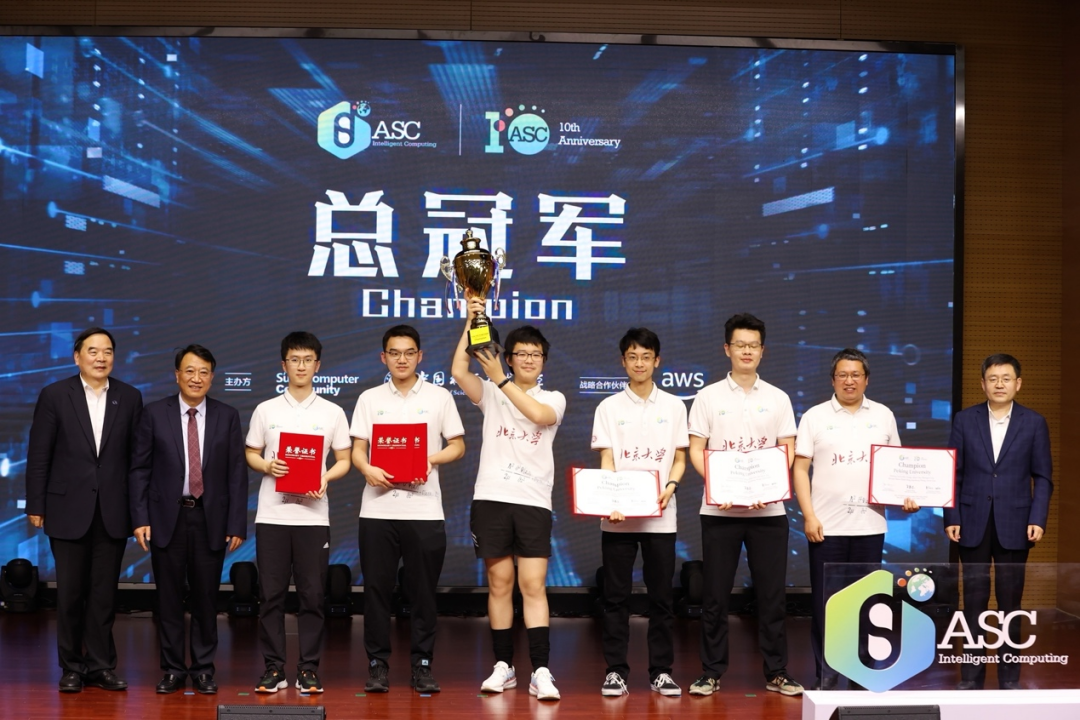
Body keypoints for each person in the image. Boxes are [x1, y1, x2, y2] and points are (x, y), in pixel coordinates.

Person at [451, 296, 567, 701]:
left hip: (533, 501)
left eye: (536, 354)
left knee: (533, 585)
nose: (529, 360)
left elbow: (537, 416)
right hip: (492, 498)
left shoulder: (553, 398)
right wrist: (471, 321)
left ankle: (541, 670)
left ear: (543, 361)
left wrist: (501, 379)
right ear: (509, 357)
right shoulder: (490, 392)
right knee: (499, 584)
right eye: (521, 354)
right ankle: (504, 666)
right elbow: (458, 370)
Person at [685, 313, 803, 698]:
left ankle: (777, 671)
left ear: (762, 351)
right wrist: (720, 485)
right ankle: (711, 672)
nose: (747, 351)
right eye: (740, 345)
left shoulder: (778, 398)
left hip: (769, 512)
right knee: (716, 595)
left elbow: (787, 448)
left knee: (771, 595)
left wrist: (770, 486)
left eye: (753, 345)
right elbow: (697, 450)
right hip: (720, 511)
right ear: (727, 349)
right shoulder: (708, 397)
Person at [25, 327, 143, 693]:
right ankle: (71, 667)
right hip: (66, 508)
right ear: (77, 356)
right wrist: (36, 502)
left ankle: (101, 666)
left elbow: (136, 461)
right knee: (70, 594)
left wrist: (138, 512)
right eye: (93, 351)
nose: (100, 357)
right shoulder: (54, 395)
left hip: (112, 510)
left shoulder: (129, 397)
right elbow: (39, 454)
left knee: (104, 594)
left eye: (107, 351)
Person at [792, 348, 918, 690]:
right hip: (826, 528)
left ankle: (861, 674)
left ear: (866, 379)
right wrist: (809, 516)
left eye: (856, 375)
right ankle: (826, 675)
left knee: (867, 603)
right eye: (843, 375)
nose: (849, 381)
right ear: (833, 380)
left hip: (870, 527)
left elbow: (897, 468)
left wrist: (906, 497)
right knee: (826, 604)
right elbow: (800, 469)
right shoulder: (814, 416)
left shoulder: (884, 415)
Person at [350, 325, 466, 694]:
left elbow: (458, 446)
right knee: (376, 591)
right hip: (377, 511)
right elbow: (357, 451)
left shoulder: (439, 397)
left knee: (423, 593)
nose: (402, 359)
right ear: (383, 357)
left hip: (425, 510)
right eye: (394, 352)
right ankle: (377, 664)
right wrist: (367, 468)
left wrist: (427, 460)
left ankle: (422, 664)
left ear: (420, 356)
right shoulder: (369, 398)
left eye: (409, 352)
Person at [128, 344, 248, 694]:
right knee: (168, 599)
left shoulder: (227, 415)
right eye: (190, 371)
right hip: (166, 518)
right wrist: (140, 518)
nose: (197, 378)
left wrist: (236, 524)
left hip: (210, 519)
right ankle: (172, 669)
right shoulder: (154, 413)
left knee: (206, 599)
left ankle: (204, 669)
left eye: (204, 372)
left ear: (212, 377)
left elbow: (236, 474)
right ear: (177, 374)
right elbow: (139, 469)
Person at [246, 332, 352, 694]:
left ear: (318, 365)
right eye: (294, 360)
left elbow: (344, 459)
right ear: (284, 365)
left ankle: (308, 669)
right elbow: (251, 452)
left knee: (312, 597)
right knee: (270, 596)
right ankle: (274, 668)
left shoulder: (332, 412)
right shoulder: (266, 409)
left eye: (308, 360)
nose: (301, 366)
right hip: (272, 517)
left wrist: (325, 477)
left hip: (313, 518)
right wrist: (266, 466)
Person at [944, 354, 1052, 690]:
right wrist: (952, 516)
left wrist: (1038, 517)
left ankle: (1009, 678)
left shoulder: (1034, 422)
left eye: (1006, 378)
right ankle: (971, 677)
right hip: (971, 521)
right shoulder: (965, 420)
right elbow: (953, 473)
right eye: (993, 378)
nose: (999, 384)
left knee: (1010, 605)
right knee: (973, 602)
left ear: (1018, 383)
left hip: (1016, 523)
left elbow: (1043, 477)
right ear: (983, 384)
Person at [591, 328, 687, 697]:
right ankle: (615, 671)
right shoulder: (609, 407)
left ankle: (661, 671)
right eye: (632, 357)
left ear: (657, 361)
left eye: (646, 357)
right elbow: (607, 457)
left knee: (662, 597)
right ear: (623, 362)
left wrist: (671, 486)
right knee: (616, 598)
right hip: (617, 518)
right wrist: (609, 498)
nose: (639, 363)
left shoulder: (675, 406)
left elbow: (680, 458)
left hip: (661, 516)